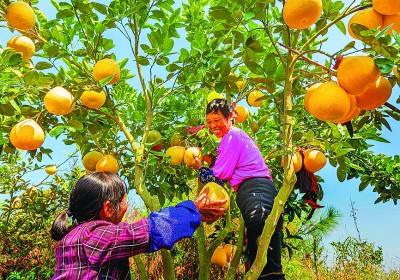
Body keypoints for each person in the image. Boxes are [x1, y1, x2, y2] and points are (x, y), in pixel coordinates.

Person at [50, 171, 226, 279]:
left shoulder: (73, 237)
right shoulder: (95, 236)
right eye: (124, 201)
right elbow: (151, 230)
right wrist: (192, 210)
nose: (126, 207)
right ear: (109, 209)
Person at [191, 98, 285, 280]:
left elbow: (218, 179)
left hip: (256, 192)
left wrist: (199, 168)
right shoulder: (237, 137)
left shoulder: (232, 137)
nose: (212, 125)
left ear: (230, 117)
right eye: (209, 122)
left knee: (267, 265)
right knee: (265, 263)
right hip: (258, 192)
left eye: (217, 120)